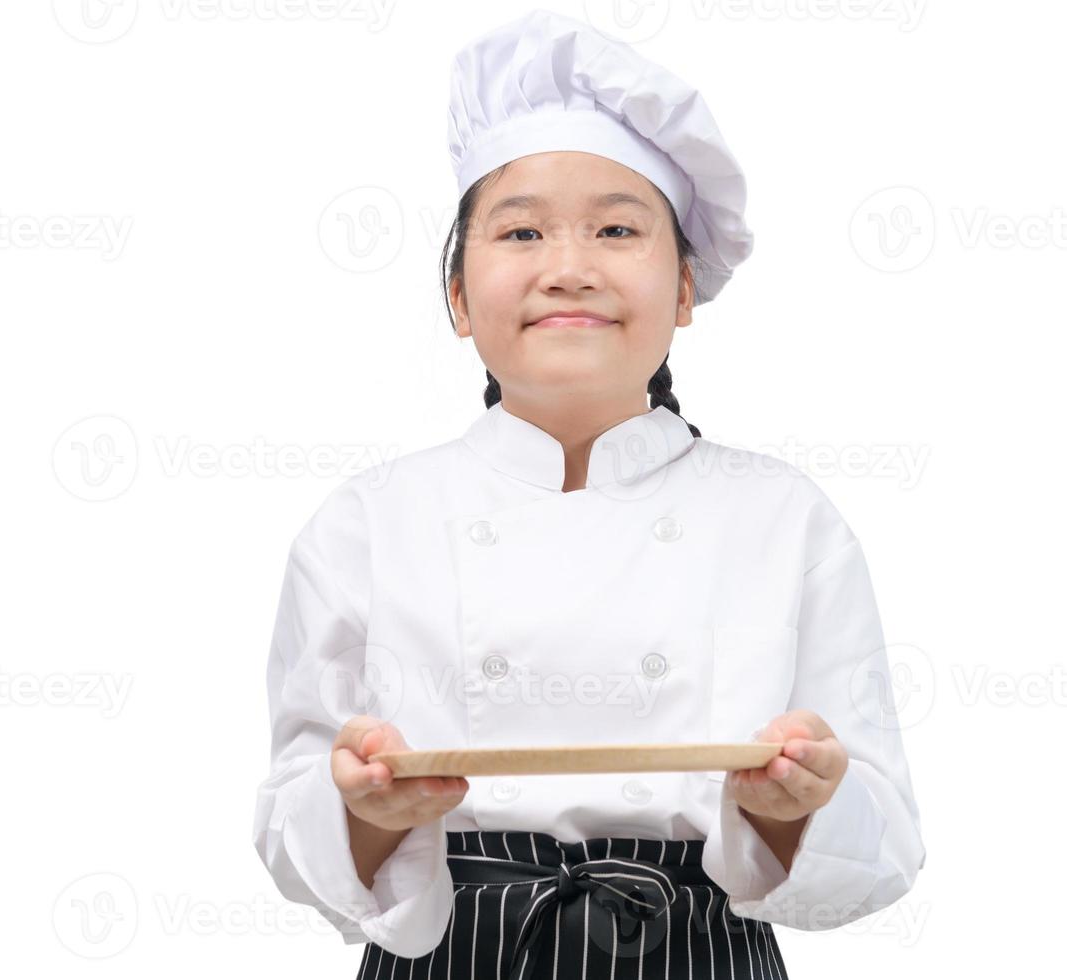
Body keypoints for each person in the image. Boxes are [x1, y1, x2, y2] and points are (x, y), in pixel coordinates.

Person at [252, 9, 926, 978]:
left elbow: (889, 836)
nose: (568, 265)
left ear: (685, 289)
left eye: (616, 227)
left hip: (696, 949)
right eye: (520, 229)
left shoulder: (783, 519)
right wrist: (362, 809)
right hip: (453, 953)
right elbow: (288, 828)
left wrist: (794, 806)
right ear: (455, 294)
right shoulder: (366, 522)